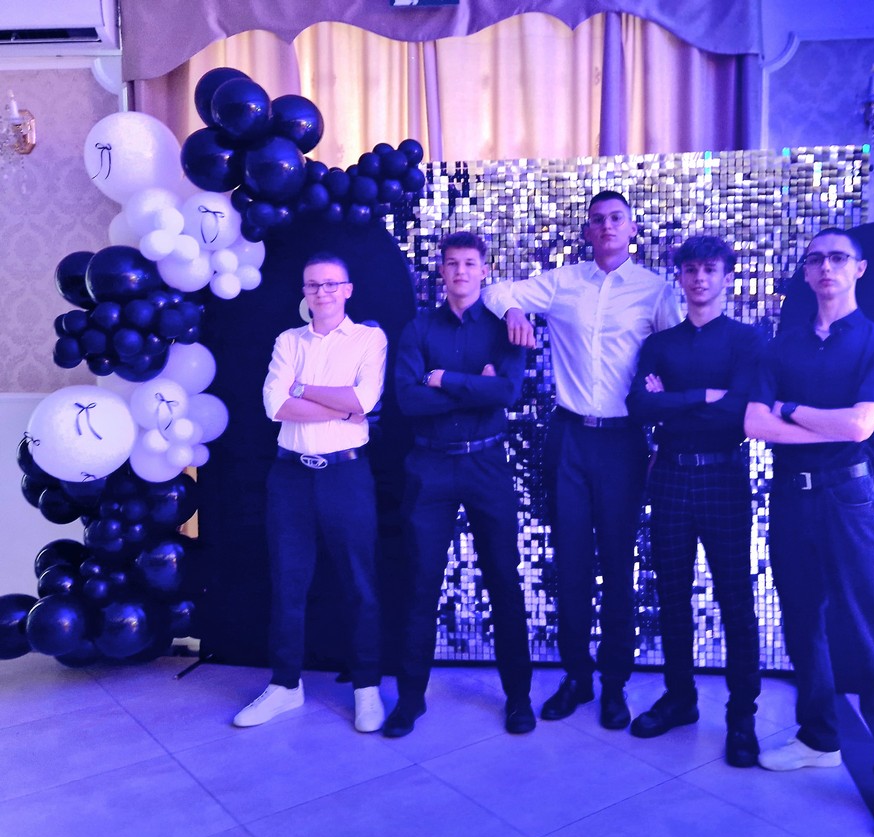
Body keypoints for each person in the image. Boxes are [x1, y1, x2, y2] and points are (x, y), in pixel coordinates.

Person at [744, 227, 874, 837]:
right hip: (790, 497)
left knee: (871, 635)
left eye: (838, 258)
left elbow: (860, 427)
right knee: (802, 625)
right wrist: (815, 421)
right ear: (805, 272)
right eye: (816, 259)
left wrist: (791, 410)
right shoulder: (781, 347)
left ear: (859, 269)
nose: (826, 268)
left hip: (849, 497)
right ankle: (819, 738)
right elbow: (754, 424)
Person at [484, 190, 682, 729]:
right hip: (569, 436)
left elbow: (676, 354)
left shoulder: (656, 290)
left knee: (617, 565)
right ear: (588, 231)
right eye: (598, 220)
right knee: (570, 563)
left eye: (617, 218)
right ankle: (577, 677)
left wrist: (665, 414)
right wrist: (515, 310)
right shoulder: (563, 282)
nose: (607, 226)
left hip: (624, 441)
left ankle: (615, 685)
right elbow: (495, 290)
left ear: (632, 228)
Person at [385, 231, 535, 738]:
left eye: (470, 264)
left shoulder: (504, 326)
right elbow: (408, 400)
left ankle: (518, 699)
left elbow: (507, 392)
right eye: (452, 264)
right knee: (420, 583)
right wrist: (477, 386)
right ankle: (410, 701)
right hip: (429, 465)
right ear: (442, 272)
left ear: (484, 270)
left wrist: (443, 378)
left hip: (487, 463)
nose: (461, 272)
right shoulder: (419, 327)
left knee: (504, 581)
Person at [626, 235, 764, 767]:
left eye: (709, 269)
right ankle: (680, 698)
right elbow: (639, 406)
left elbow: (741, 410)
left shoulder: (746, 340)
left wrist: (673, 401)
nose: (700, 278)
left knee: (735, 598)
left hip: (724, 474)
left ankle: (742, 715)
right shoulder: (662, 344)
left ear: (726, 276)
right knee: (671, 594)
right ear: (680, 278)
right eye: (691, 270)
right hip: (670, 475)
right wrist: (703, 396)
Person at [235, 252, 387, 733]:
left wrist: (304, 389)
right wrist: (340, 407)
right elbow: (274, 406)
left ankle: (366, 688)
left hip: (346, 474)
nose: (322, 292)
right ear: (305, 292)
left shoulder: (369, 339)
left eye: (330, 284)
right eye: (313, 285)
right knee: (287, 582)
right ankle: (285, 686)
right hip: (290, 477)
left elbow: (365, 399)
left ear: (348, 290)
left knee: (360, 584)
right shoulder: (288, 340)